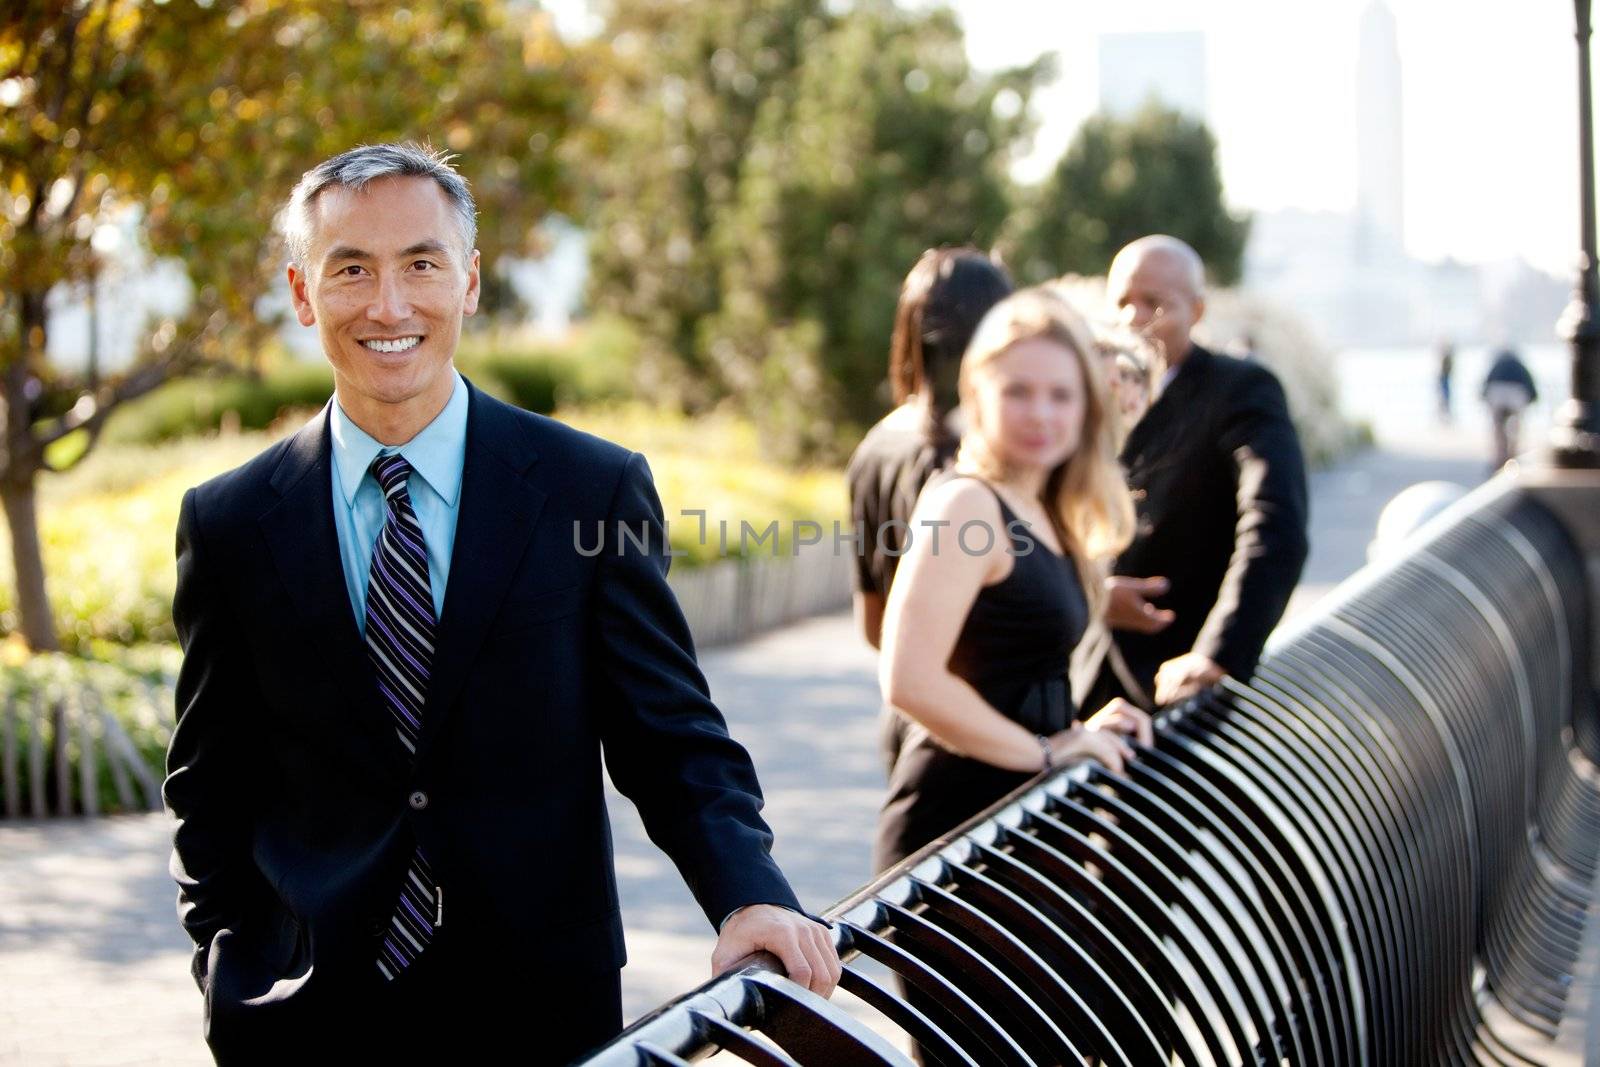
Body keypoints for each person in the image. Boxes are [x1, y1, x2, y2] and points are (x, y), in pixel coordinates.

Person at [162, 143, 838, 1065]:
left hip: (540, 1008)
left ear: (470, 281)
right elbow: (209, 781)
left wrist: (748, 893)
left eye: (422, 264)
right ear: (301, 292)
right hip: (307, 1018)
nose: (389, 304)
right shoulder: (230, 521)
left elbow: (671, 733)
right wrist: (227, 963)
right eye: (350, 268)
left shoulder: (587, 491)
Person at [872, 288, 1153, 878]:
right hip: (955, 837)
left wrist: (1071, 732)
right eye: (1018, 391)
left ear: (1086, 408)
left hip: (1026, 821)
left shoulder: (1047, 506)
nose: (1041, 414)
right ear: (978, 395)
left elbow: (1013, 670)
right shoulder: (967, 504)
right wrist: (1046, 753)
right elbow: (909, 680)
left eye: (1060, 395)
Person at [1089, 235, 1309, 712]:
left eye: (1154, 302)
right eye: (1122, 301)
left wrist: (1218, 653)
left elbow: (1274, 524)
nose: (1134, 317)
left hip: (1181, 682)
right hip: (1087, 686)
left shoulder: (1241, 390)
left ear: (1198, 310)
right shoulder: (1080, 395)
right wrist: (1090, 593)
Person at [845, 247, 1012, 651]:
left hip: (907, 702)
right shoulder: (982, 457)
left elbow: (873, 626)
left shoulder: (873, 447)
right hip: (982, 706)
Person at [1482, 346, 1538, 469]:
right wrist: (1534, 398)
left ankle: (1499, 456)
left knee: (1498, 428)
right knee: (1517, 427)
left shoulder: (1497, 365)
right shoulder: (1519, 366)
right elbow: (1529, 384)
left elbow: (1486, 384)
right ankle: (1513, 455)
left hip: (1497, 393)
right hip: (1516, 395)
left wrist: (1483, 396)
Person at [1437, 338, 1455, 421]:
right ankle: (1444, 415)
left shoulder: (1447, 357)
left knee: (1445, 397)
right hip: (1444, 378)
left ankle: (1446, 415)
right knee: (1444, 397)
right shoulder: (1447, 357)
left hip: (1445, 378)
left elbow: (1447, 369)